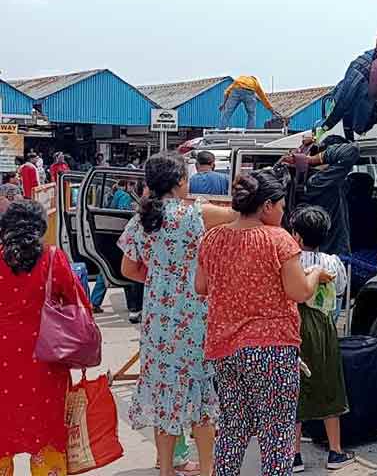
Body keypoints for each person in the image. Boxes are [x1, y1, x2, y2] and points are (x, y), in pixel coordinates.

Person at [117, 152, 236, 476]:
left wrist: (160, 278)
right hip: (195, 316)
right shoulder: (196, 213)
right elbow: (238, 215)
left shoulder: (142, 218)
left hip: (157, 318)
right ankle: (208, 469)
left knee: (165, 394)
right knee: (200, 396)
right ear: (181, 181)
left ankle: (167, 470)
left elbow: (127, 268)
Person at [197, 169, 321, 476]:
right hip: (272, 350)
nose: (284, 211)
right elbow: (299, 291)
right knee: (276, 437)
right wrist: (316, 274)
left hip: (225, 349)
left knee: (232, 431)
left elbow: (201, 286)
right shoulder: (278, 239)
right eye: (280, 205)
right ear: (266, 206)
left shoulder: (212, 239)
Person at [0, 200, 95, 475]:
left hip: (3, 355)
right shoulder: (53, 257)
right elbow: (78, 302)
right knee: (45, 432)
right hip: (46, 355)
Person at [290, 205, 355, 472]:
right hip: (325, 327)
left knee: (294, 388)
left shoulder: (289, 261)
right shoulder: (332, 262)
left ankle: (293, 455)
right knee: (330, 385)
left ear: (296, 235)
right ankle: (335, 452)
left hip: (293, 327)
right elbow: (340, 291)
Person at [290, 135, 360, 256]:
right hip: (332, 251)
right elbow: (352, 150)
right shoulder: (320, 180)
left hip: (325, 250)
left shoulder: (312, 179)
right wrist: (312, 159)